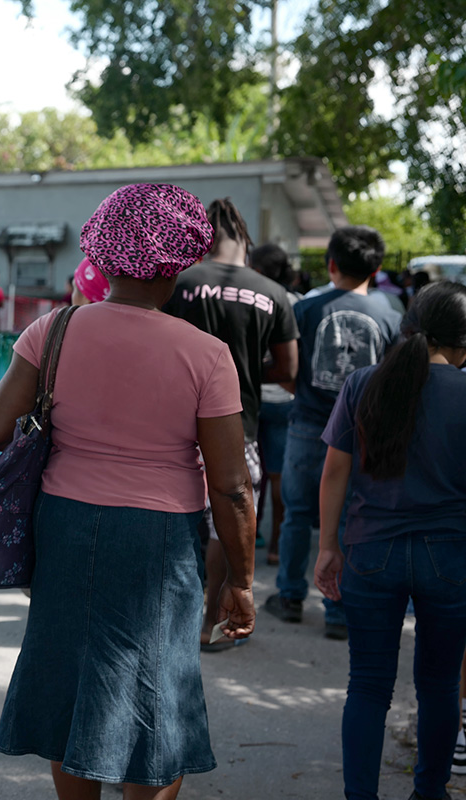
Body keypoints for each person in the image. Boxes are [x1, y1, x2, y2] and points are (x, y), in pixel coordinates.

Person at [0, 183, 255, 799]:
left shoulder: (50, 332)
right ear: (179, 260)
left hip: (66, 527)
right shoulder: (207, 356)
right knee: (158, 696)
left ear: (100, 251)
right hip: (160, 541)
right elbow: (232, 487)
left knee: (72, 687)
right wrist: (239, 579)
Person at [313, 281, 466, 800]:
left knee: (369, 685)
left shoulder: (363, 382)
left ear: (408, 327)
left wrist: (327, 545)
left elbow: (334, 471)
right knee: (440, 686)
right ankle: (430, 792)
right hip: (451, 556)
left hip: (371, 552)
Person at [162, 198, 298, 652]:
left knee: (172, 515)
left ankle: (163, 615)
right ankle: (209, 621)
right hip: (241, 425)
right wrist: (245, 369)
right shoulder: (273, 293)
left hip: (174, 425)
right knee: (227, 521)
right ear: (245, 240)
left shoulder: (180, 284)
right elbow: (289, 370)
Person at [265, 225, 403, 639]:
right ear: (376, 268)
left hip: (310, 423)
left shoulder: (306, 309)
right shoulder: (390, 317)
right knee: (348, 520)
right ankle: (338, 608)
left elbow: (289, 370)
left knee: (296, 514)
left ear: (331, 264)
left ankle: (290, 595)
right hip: (363, 432)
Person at [248, 243, 302, 565]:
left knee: (249, 474)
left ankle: (246, 535)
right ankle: (277, 547)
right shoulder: (295, 302)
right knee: (279, 475)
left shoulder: (249, 295)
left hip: (252, 397)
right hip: (285, 398)